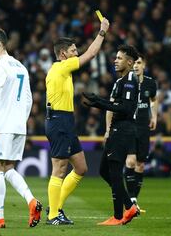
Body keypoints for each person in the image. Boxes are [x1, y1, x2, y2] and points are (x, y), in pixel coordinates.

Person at [45, 17, 110, 225]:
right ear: (63, 54)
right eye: (73, 50)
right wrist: (102, 31)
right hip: (58, 120)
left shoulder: (61, 71)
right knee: (59, 168)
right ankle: (53, 215)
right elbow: (91, 54)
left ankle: (55, 207)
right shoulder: (61, 67)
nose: (76, 54)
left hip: (65, 121)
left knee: (81, 168)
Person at [0, 28, 42, 229]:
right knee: (8, 168)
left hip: (2, 124)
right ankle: (32, 201)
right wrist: (20, 120)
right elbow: (29, 98)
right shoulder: (21, 66)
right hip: (18, 126)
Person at [82, 45, 140, 226]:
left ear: (130, 62)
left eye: (119, 58)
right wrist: (100, 104)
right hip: (116, 129)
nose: (115, 60)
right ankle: (128, 206)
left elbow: (126, 108)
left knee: (114, 172)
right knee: (104, 171)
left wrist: (99, 102)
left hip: (123, 129)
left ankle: (118, 216)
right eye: (115, 57)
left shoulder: (130, 78)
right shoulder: (120, 81)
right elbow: (117, 106)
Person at [124, 54, 158, 212]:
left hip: (144, 127)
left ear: (144, 65)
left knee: (140, 165)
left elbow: (153, 100)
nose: (136, 66)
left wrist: (154, 117)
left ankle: (134, 200)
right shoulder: (125, 82)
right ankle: (130, 201)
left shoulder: (151, 83)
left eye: (139, 63)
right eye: (134, 63)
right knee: (130, 161)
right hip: (129, 127)